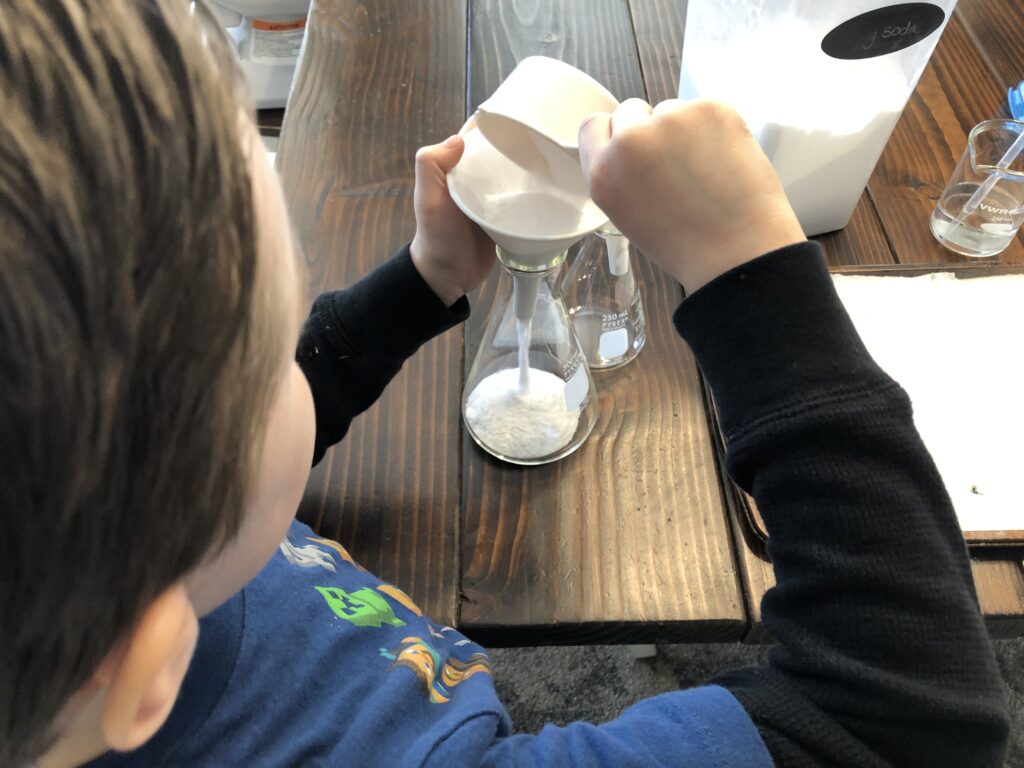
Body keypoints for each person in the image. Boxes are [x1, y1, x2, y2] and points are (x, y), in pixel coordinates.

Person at [0, 2, 1008, 767]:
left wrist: (422, 282)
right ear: (141, 672)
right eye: (265, 360)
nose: (295, 355)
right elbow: (909, 708)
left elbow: (185, 442)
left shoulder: (97, 546)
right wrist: (754, 275)